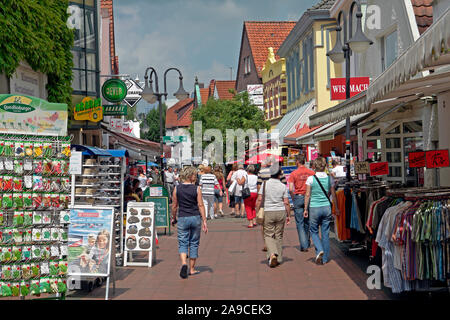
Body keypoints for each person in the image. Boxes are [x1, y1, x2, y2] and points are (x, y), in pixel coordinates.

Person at [171, 166, 208, 278]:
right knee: (194, 242)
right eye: (195, 175)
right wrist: (204, 220)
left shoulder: (177, 189)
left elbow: (174, 206)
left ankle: (183, 264)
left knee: (183, 242)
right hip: (195, 217)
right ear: (191, 176)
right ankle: (191, 269)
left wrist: (174, 218)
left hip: (183, 217)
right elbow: (200, 205)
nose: (196, 177)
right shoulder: (197, 189)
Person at [304, 157, 340, 265]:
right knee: (325, 233)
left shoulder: (310, 179)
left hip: (314, 208)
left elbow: (307, 195)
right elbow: (333, 194)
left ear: (314, 166)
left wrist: (305, 208)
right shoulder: (330, 179)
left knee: (313, 231)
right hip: (326, 207)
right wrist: (337, 208)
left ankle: (319, 250)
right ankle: (324, 259)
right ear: (325, 166)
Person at [255, 167, 291, 268]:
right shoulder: (283, 186)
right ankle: (278, 258)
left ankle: (272, 254)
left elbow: (259, 199)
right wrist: (289, 215)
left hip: (268, 211)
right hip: (280, 211)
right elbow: (286, 202)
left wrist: (257, 211)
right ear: (279, 175)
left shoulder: (264, 184)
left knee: (268, 234)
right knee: (278, 235)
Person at [257, 155, 287, 252]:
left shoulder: (261, 172)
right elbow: (284, 184)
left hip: (265, 199)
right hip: (278, 201)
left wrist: (259, 203)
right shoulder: (280, 172)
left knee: (264, 224)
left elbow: (258, 187)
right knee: (277, 228)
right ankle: (275, 246)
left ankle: (266, 243)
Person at [289, 154, 315, 252]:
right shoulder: (311, 172)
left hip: (298, 197)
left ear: (297, 162)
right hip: (309, 197)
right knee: (307, 222)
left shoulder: (293, 173)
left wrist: (293, 198)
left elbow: (291, 189)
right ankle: (307, 242)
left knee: (299, 223)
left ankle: (304, 245)